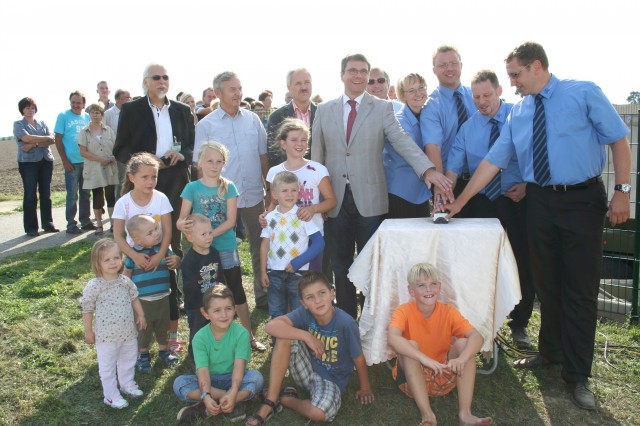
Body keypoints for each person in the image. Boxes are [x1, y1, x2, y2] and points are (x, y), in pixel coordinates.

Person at [443, 42, 631, 410]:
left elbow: (618, 140)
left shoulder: (583, 93)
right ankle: (550, 353)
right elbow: (493, 161)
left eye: (515, 75)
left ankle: (577, 375)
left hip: (581, 200)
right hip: (540, 202)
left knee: (579, 289)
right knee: (546, 282)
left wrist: (622, 191)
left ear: (537, 67)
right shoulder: (521, 111)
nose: (512, 83)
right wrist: (460, 202)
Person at [310, 53, 452, 319]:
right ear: (342, 75)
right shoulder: (324, 110)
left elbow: (402, 141)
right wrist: (319, 200)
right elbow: (317, 158)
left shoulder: (382, 108)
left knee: (371, 265)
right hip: (334, 200)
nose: (358, 75)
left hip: (371, 200)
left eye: (363, 71)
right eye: (353, 70)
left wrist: (428, 170)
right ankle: (347, 320)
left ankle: (370, 321)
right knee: (340, 263)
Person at [446, 70, 533, 348]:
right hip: (481, 202)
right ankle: (480, 324)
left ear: (499, 92)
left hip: (517, 200)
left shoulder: (520, 116)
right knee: (479, 265)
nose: (482, 102)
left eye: (487, 95)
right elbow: (453, 167)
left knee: (520, 262)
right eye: (476, 97)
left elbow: (537, 156)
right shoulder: (468, 128)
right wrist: (445, 190)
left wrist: (528, 186)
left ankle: (519, 324)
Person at [246, 272, 374, 425]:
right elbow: (271, 326)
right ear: (303, 303)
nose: (317, 301)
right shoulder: (305, 313)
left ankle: (287, 399)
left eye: (322, 293)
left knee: (318, 413)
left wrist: (365, 387)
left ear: (332, 293)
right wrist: (307, 336)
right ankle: (271, 400)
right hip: (307, 370)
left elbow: (358, 357)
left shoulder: (347, 323)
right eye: (310, 297)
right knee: (284, 335)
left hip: (331, 381)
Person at [178, 142, 266, 352]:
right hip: (200, 250)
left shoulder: (229, 187)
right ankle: (210, 337)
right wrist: (183, 226)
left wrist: (209, 235)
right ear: (200, 162)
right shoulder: (191, 188)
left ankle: (248, 335)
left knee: (235, 289)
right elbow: (181, 219)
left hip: (224, 246)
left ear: (224, 164)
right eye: (210, 161)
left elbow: (231, 221)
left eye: (219, 161)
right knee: (205, 290)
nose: (214, 165)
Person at [194, 71, 270, 310]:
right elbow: (199, 165)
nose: (238, 94)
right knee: (222, 249)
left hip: (254, 194)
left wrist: (269, 188)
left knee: (260, 245)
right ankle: (223, 301)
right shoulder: (206, 125)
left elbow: (263, 155)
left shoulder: (253, 120)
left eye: (239, 88)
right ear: (218, 93)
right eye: (232, 89)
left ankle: (263, 297)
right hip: (220, 198)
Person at [387, 263, 493, 426]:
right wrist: (424, 359)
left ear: (439, 287)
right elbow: (393, 338)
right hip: (411, 380)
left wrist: (462, 359)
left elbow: (477, 337)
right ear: (411, 291)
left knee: (464, 344)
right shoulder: (403, 311)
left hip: (442, 375)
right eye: (421, 285)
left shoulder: (448, 311)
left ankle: (465, 415)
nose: (428, 290)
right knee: (410, 346)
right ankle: (427, 415)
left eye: (433, 284)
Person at [113, 63, 195, 259]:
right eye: (156, 77)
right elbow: (120, 149)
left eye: (165, 77)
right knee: (143, 229)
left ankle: (172, 274)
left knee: (173, 230)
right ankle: (142, 270)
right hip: (144, 179)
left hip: (175, 176)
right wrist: (145, 161)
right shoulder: (131, 109)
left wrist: (183, 155)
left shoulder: (182, 110)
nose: (162, 81)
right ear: (145, 83)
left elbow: (192, 145)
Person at [112, 153, 185, 360]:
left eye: (154, 177)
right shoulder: (123, 203)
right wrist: (134, 256)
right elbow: (118, 235)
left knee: (170, 299)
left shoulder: (161, 199)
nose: (150, 181)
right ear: (132, 177)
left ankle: (171, 339)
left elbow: (168, 232)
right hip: (136, 261)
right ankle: (139, 344)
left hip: (161, 258)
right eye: (145, 177)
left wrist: (160, 255)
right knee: (137, 301)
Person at [173, 285, 264, 424]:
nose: (224, 315)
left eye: (228, 309)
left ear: (235, 309)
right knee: (180, 384)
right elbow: (202, 371)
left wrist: (234, 390)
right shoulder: (200, 338)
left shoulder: (242, 334)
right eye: (217, 310)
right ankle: (234, 400)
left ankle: (216, 404)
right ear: (205, 313)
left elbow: (239, 367)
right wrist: (206, 394)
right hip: (210, 381)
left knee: (256, 378)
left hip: (236, 378)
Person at [80, 238, 147, 409]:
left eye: (116, 258)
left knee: (129, 359)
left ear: (121, 259)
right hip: (106, 336)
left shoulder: (125, 281)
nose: (112, 262)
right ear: (98, 263)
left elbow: (134, 297)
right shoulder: (94, 285)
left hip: (128, 332)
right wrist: (88, 331)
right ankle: (110, 395)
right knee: (107, 366)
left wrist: (141, 315)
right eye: (107, 259)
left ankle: (127, 384)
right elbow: (87, 309)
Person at [263, 118, 335, 272]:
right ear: (283, 144)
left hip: (311, 239)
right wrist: (265, 217)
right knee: (283, 282)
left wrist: (312, 209)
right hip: (282, 240)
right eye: (294, 140)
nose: (300, 144)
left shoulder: (318, 169)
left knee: (310, 282)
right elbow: (273, 203)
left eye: (304, 140)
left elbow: (331, 201)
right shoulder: (274, 172)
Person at [260, 171, 325, 318]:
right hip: (274, 272)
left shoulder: (302, 215)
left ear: (299, 193)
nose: (290, 194)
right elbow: (265, 244)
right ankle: (279, 333)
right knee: (276, 311)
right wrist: (263, 271)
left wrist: (297, 262)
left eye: (294, 190)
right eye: (284, 191)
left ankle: (298, 334)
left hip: (297, 273)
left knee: (298, 312)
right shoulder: (269, 217)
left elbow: (319, 243)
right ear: (275, 194)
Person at [123, 214, 181, 371]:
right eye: (150, 233)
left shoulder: (163, 249)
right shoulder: (132, 255)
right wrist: (124, 291)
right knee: (144, 328)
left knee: (163, 325)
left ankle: (164, 350)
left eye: (156, 229)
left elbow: (175, 262)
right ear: (137, 240)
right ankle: (143, 354)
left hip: (163, 297)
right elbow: (127, 273)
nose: (156, 233)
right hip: (142, 301)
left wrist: (176, 261)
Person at [421, 45, 476, 208]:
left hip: (483, 182)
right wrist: (441, 186)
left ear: (461, 65)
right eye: (443, 65)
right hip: (450, 185)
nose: (449, 69)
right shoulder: (431, 105)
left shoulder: (477, 96)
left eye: (453, 63)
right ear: (434, 70)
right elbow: (433, 147)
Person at [384, 73, 431, 218]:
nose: (418, 93)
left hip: (420, 193)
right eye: (411, 90)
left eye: (421, 87)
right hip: (401, 193)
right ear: (403, 95)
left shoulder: (428, 116)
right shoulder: (399, 122)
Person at [180, 213, 225, 362]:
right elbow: (190, 287)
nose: (208, 237)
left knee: (215, 329)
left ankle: (214, 354)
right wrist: (201, 305)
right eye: (203, 234)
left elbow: (220, 275)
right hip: (196, 306)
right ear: (190, 237)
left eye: (210, 233)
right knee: (198, 331)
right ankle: (195, 358)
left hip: (214, 302)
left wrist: (224, 295)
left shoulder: (214, 253)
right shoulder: (189, 260)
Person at [13, 97, 59, 236]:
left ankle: (48, 224)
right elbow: (25, 138)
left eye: (32, 108)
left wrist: (34, 144)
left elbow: (52, 139)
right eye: (27, 108)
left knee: (46, 193)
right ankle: (31, 228)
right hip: (28, 163)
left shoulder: (42, 123)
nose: (30, 110)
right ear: (22, 110)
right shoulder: (18, 124)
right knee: (30, 195)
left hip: (46, 161)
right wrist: (43, 139)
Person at [54, 90, 94, 234]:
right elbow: (58, 139)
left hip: (86, 162)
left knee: (86, 193)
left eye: (78, 103)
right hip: (72, 163)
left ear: (84, 104)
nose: (76, 105)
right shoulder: (63, 116)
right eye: (73, 102)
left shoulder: (87, 117)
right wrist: (64, 160)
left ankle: (85, 221)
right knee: (72, 195)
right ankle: (71, 224)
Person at [78, 103, 119, 235]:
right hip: (94, 169)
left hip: (110, 168)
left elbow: (116, 147)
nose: (95, 115)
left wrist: (112, 157)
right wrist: (100, 159)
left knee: (111, 196)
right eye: (92, 112)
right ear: (89, 114)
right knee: (97, 197)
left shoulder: (109, 130)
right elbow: (83, 152)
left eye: (98, 113)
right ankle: (99, 225)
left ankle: (113, 224)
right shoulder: (84, 132)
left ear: (102, 115)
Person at [267, 68, 317, 168]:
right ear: (289, 88)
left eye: (307, 82)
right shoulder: (277, 117)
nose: (303, 87)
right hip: (289, 175)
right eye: (298, 83)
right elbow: (274, 153)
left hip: (318, 174)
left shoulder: (323, 114)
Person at [104, 89, 132, 200]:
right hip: (117, 154)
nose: (130, 100)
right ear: (120, 99)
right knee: (121, 182)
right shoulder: (109, 114)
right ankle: (119, 206)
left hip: (132, 152)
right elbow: (105, 134)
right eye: (128, 98)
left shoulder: (132, 112)